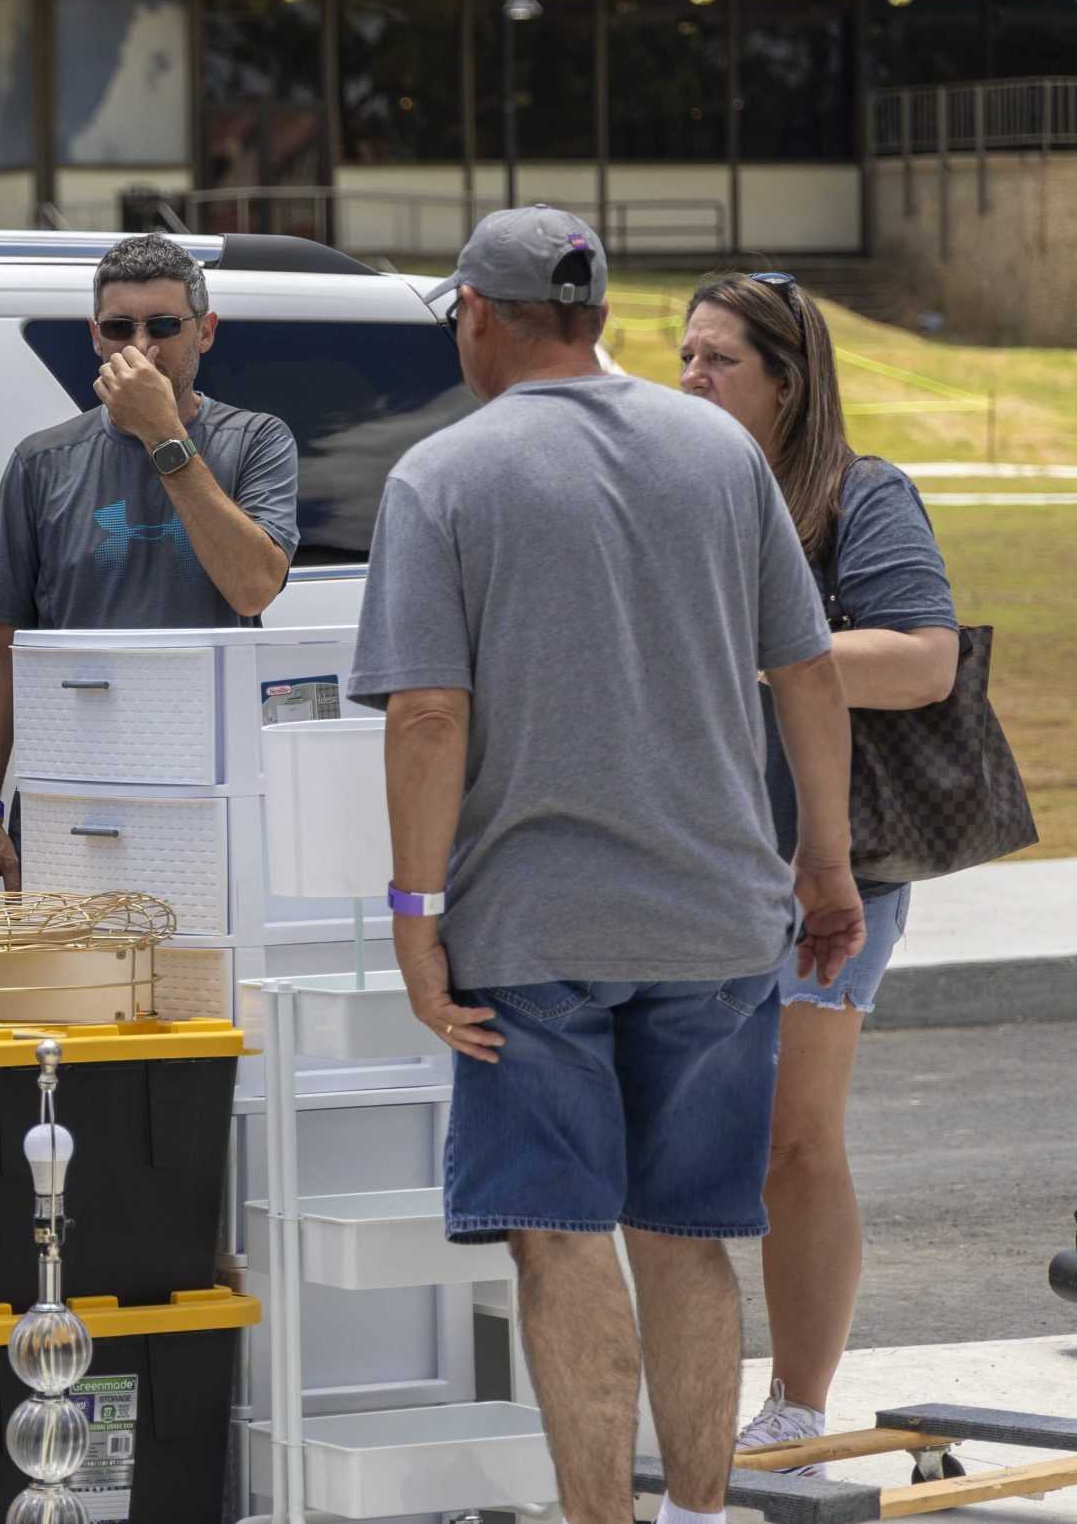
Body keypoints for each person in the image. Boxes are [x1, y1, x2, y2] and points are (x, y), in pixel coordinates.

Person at [348, 208, 867, 1524]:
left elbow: (427, 716)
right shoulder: (718, 450)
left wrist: (415, 914)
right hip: (717, 916)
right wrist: (827, 861)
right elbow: (804, 669)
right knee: (692, 1236)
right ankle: (699, 1511)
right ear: (593, 315)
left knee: (562, 1233)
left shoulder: (445, 474)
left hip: (534, 926)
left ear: (478, 310)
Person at [679, 272, 959, 1467]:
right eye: (681, 356)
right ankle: (677, 1394)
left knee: (794, 1141)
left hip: (819, 868)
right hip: (680, 858)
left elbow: (922, 659)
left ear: (787, 386)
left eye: (716, 362)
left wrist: (761, 654)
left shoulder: (860, 496)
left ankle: (795, 1399)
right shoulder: (670, 488)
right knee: (688, 1147)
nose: (687, 380)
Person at [0, 232, 298, 891]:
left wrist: (163, 433)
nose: (140, 346)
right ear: (94, 335)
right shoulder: (43, 461)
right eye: (120, 327)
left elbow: (254, 586)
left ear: (205, 332)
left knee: (206, 992)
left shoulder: (255, 441)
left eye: (164, 325)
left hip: (208, 788)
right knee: (70, 990)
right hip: (73, 796)